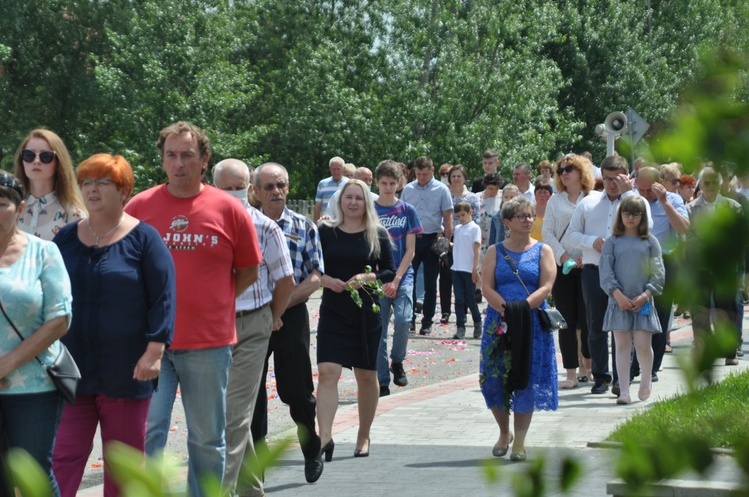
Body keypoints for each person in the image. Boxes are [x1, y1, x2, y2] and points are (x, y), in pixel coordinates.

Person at [124, 121, 261, 497]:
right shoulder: (140, 206)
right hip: (151, 344)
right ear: (162, 159)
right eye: (171, 155)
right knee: (148, 432)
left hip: (209, 343)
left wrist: (212, 300)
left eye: (187, 155)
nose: (178, 163)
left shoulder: (228, 209)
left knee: (206, 439)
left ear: (204, 160)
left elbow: (247, 270)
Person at [51, 154, 176, 497]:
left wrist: (154, 350)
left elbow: (164, 298)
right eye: (87, 182)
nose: (92, 189)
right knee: (63, 457)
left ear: (123, 191)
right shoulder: (65, 239)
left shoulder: (145, 239)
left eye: (102, 182)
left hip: (128, 371)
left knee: (123, 466)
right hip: (72, 370)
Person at [212, 160, 304, 495]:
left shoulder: (265, 227)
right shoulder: (204, 225)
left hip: (251, 324)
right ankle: (252, 491)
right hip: (211, 329)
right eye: (226, 187)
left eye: (239, 187)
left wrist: (270, 318)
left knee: (233, 415)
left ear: (250, 190)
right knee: (229, 415)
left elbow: (286, 280)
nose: (233, 194)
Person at [248, 162, 327, 490]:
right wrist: (266, 311)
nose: (276, 192)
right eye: (268, 187)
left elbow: (315, 275)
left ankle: (311, 448)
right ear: (254, 192)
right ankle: (257, 464)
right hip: (253, 316)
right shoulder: (246, 224)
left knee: (296, 390)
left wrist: (281, 306)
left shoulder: (304, 226)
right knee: (251, 394)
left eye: (281, 185)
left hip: (291, 314)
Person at [0, 172, 71, 496]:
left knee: (34, 479)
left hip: (34, 386)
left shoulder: (44, 253)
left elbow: (60, 318)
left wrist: (6, 364)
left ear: (20, 208)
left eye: (1, 204)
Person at [317, 179, 395, 460]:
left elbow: (389, 271)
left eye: (358, 198)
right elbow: (313, 267)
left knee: (366, 376)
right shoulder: (325, 231)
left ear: (366, 203)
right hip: (333, 308)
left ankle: (364, 435)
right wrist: (325, 280)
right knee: (327, 372)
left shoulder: (378, 233)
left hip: (366, 311)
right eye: (348, 197)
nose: (352, 202)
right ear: (339, 201)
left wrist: (367, 277)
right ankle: (325, 437)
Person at [567, 155, 652, 395]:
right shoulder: (589, 202)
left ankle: (621, 378)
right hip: (594, 271)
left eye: (617, 178)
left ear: (627, 176)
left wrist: (627, 195)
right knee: (595, 326)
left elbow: (648, 231)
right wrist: (592, 241)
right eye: (607, 178)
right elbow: (571, 234)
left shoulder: (636, 202)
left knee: (624, 328)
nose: (612, 183)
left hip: (626, 275)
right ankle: (601, 377)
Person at [480, 197, 557, 461]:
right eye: (522, 216)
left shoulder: (543, 250)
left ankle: (520, 441)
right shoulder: (494, 251)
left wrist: (522, 308)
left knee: (527, 379)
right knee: (494, 378)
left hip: (531, 322)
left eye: (530, 215)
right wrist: (505, 309)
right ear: (507, 222)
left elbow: (546, 286)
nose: (527, 220)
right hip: (498, 322)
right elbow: (486, 286)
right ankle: (504, 432)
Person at [600, 197, 664, 404]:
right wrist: (616, 294)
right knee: (622, 345)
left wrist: (646, 294)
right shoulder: (612, 242)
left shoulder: (650, 241)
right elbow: (606, 271)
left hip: (643, 301)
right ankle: (624, 391)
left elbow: (658, 272)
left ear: (642, 217)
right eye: (626, 213)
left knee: (644, 345)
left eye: (636, 214)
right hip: (618, 301)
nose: (630, 218)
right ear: (620, 216)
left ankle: (646, 380)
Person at [542, 154, 595, 389]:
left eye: (570, 168)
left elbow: (597, 230)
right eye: (561, 169)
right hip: (563, 267)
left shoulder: (593, 199)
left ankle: (590, 367)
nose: (564, 173)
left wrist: (586, 255)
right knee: (566, 321)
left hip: (589, 264)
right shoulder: (555, 200)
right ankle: (571, 373)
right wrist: (563, 257)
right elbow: (548, 232)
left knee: (588, 319)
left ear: (581, 172)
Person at [632, 166, 689, 382]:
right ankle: (634, 364)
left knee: (659, 314)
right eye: (641, 189)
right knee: (636, 312)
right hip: (636, 261)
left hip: (665, 261)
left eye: (650, 190)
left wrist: (664, 202)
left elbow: (683, 228)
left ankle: (652, 367)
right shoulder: (632, 200)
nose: (645, 195)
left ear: (660, 184)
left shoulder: (673, 200)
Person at [686, 166, 744, 366]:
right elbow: (689, 236)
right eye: (706, 182)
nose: (710, 186)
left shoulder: (733, 206)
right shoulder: (690, 208)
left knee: (727, 309)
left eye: (714, 182)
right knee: (700, 310)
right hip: (700, 267)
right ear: (700, 184)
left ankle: (730, 351)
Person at [373, 161, 422, 397]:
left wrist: (396, 279)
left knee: (403, 320)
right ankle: (382, 380)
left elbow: (410, 250)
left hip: (403, 274)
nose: (388, 187)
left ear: (399, 183)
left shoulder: (407, 210)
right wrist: (382, 279)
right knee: (379, 330)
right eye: (384, 183)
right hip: (378, 276)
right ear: (377, 183)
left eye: (393, 183)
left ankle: (397, 360)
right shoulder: (369, 211)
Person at [400, 156, 453, 336]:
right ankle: (410, 319)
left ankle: (427, 321)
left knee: (431, 282)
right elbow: (403, 215)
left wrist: (446, 242)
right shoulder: (408, 189)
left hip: (432, 238)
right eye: (418, 173)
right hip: (412, 238)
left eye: (425, 173)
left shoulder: (441, 189)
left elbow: (447, 217)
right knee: (409, 280)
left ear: (432, 170)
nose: (421, 177)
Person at [14, 129, 86, 240]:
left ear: (58, 163)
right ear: (21, 161)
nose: (36, 161)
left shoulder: (74, 215)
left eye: (45, 156)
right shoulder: (9, 207)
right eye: (29, 155)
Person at [441, 165, 480, 324]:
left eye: (459, 176)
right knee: (445, 277)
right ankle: (445, 311)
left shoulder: (472, 197)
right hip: (448, 238)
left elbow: (476, 218)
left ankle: (464, 315)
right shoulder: (445, 194)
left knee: (464, 283)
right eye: (453, 176)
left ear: (465, 178)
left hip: (466, 239)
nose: (456, 178)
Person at [451, 201, 482, 339]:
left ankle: (477, 322)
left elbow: (476, 249)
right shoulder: (457, 228)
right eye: (458, 216)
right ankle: (460, 327)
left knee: (470, 298)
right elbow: (458, 245)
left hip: (468, 269)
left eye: (463, 214)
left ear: (470, 212)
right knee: (458, 299)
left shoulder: (475, 228)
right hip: (456, 268)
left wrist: (475, 268)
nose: (461, 218)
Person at [313, 156, 347, 222]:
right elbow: (318, 206)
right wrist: (316, 224)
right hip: (326, 221)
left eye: (338, 169)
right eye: (334, 169)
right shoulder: (322, 184)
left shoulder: (349, 184)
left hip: (344, 221)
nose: (336, 172)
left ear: (343, 169)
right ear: (330, 169)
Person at [477, 173, 502, 254]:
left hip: (498, 236)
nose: (494, 191)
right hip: (482, 238)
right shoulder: (477, 198)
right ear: (485, 186)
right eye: (490, 188)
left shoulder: (504, 196)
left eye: (496, 188)